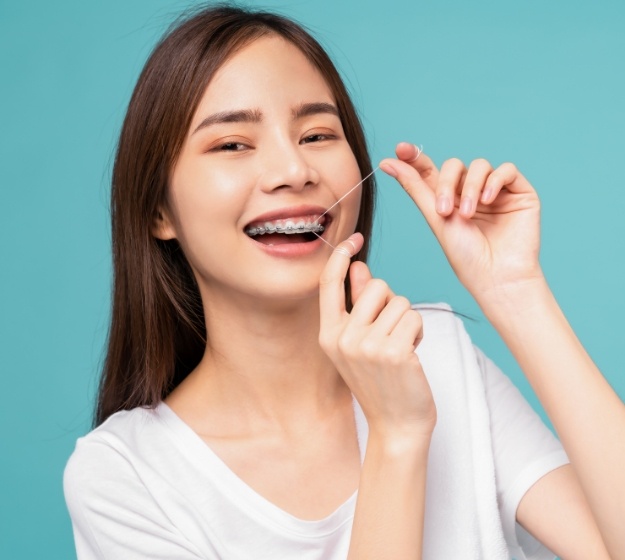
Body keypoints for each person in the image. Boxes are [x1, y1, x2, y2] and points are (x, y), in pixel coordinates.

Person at [63, 5, 625, 560]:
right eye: (232, 143)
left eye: (316, 134)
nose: (294, 170)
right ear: (159, 210)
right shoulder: (124, 477)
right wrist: (397, 438)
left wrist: (515, 291)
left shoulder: (436, 354)